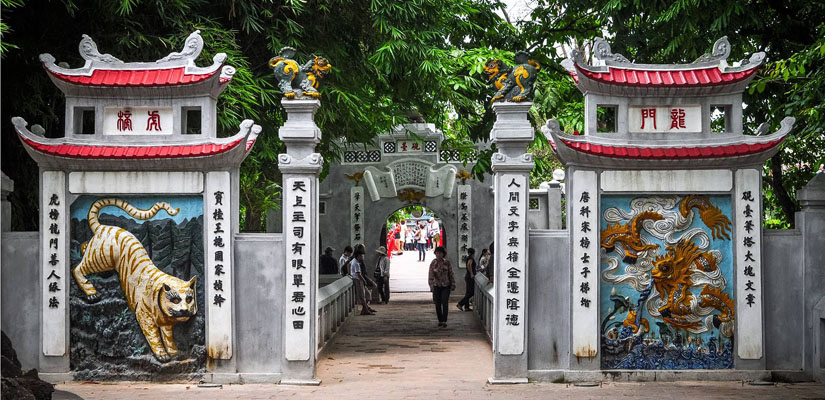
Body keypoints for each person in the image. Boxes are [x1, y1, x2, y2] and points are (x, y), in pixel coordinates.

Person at [428, 246, 455, 327]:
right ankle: (440, 319)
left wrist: (453, 283)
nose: (438, 255)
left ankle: (444, 320)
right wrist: (431, 285)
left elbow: (451, 274)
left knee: (445, 302)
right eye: (437, 253)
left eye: (440, 253)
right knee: (437, 303)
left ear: (443, 254)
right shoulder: (433, 263)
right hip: (436, 285)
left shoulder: (447, 263)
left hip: (446, 285)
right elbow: (430, 275)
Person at [348, 244, 375, 315]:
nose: (362, 257)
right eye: (361, 255)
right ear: (358, 255)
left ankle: (365, 308)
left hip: (358, 279)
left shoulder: (355, 261)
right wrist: (364, 280)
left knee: (366, 295)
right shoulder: (356, 263)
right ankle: (365, 309)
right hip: (357, 280)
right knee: (362, 296)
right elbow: (358, 274)